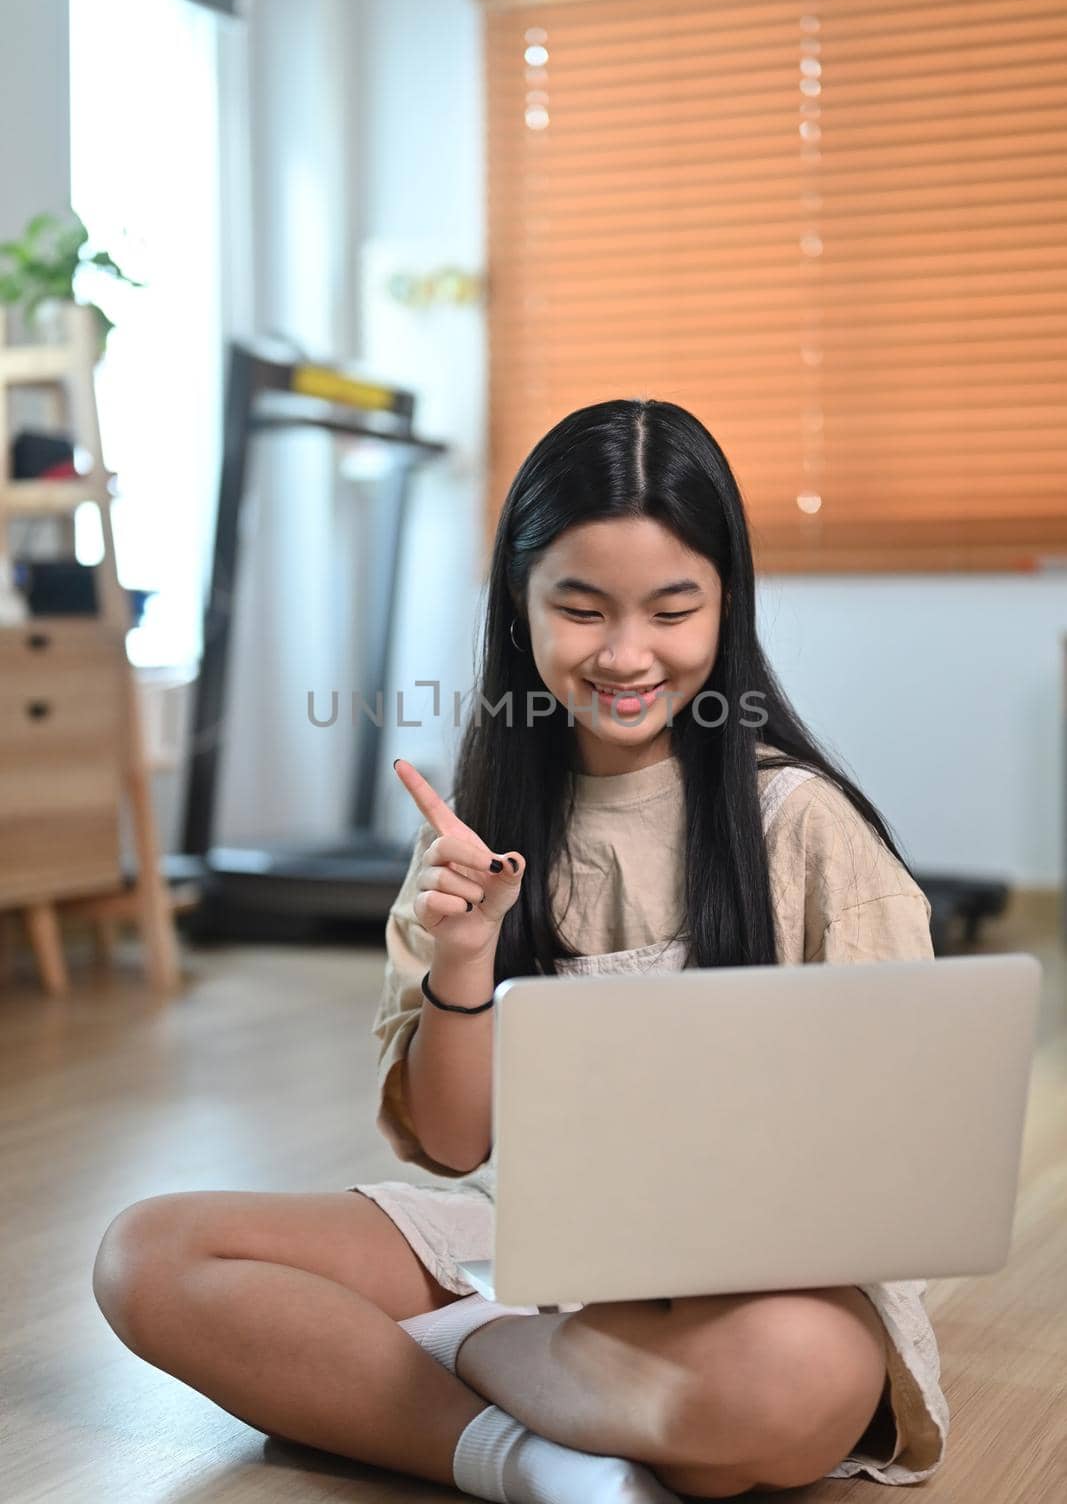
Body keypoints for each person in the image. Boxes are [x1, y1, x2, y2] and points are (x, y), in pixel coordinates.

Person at [92, 398, 949, 1501]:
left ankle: (467, 1347)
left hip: (750, 1277)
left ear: (725, 604)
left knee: (793, 1379)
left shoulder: (800, 826)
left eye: (671, 610)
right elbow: (451, 1147)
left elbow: (904, 1149)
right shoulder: (474, 833)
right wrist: (463, 959)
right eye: (582, 610)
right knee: (148, 1255)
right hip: (516, 1235)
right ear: (519, 604)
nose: (627, 654)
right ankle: (536, 1459)